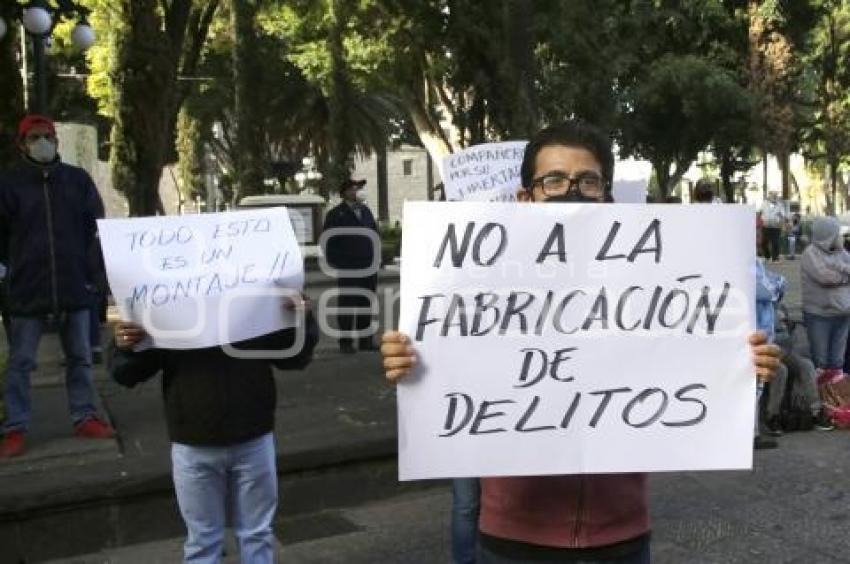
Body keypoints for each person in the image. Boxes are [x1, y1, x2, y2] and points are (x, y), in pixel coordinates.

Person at [381, 121, 782, 563]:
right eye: (553, 180)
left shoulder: (654, 284)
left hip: (622, 536)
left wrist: (743, 365)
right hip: (513, 539)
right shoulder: (475, 287)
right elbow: (448, 370)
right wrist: (409, 362)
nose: (570, 191)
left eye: (587, 181)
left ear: (606, 195)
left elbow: (693, 362)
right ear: (525, 196)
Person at [111, 296, 318, 563]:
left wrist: (299, 318)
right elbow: (127, 373)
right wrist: (127, 346)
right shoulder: (167, 297)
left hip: (250, 433)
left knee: (252, 535)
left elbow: (294, 357)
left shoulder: (254, 290)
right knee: (205, 541)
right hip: (196, 440)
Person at [0, 114, 114, 458]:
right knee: (20, 362)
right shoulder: (9, 184)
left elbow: (95, 231)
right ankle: (15, 427)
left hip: (74, 286)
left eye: (46, 136)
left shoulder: (76, 181)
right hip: (26, 291)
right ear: (22, 144)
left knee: (80, 358)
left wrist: (95, 280)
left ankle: (85, 416)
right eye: (34, 137)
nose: (42, 143)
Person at [322, 178, 380, 354]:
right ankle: (346, 342)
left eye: (358, 188)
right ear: (345, 192)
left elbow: (375, 234)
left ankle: (365, 341)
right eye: (354, 188)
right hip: (348, 267)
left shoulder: (366, 211)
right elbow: (327, 241)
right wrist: (337, 262)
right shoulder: (335, 214)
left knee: (366, 303)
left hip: (368, 265)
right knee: (347, 304)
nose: (357, 191)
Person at [764, 304, 835, 433]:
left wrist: (788, 330)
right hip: (763, 351)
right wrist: (783, 334)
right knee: (781, 370)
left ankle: (815, 412)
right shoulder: (755, 307)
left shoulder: (779, 307)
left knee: (806, 365)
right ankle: (773, 416)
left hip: (782, 350)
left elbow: (789, 338)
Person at [800, 216, 850, 378]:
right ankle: (820, 395)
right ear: (828, 235)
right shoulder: (810, 254)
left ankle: (835, 395)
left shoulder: (842, 252)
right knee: (820, 361)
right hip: (819, 315)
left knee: (837, 361)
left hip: (843, 313)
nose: (840, 237)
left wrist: (838, 267)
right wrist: (845, 276)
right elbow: (825, 278)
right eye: (837, 234)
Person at [760, 192, 787, 261]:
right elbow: (760, 212)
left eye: (775, 196)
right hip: (766, 226)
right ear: (769, 196)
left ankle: (775, 258)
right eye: (772, 196)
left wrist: (783, 225)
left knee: (775, 242)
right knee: (763, 243)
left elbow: (783, 216)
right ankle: (767, 256)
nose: (774, 197)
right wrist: (760, 221)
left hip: (776, 226)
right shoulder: (764, 204)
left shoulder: (780, 205)